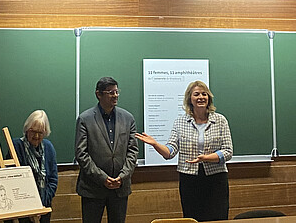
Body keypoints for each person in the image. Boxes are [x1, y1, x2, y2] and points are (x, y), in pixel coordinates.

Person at [136, 80, 233, 222]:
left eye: (204, 94)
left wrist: (206, 158)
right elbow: (170, 151)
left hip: (216, 179)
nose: (201, 97)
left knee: (217, 218)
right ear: (190, 99)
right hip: (189, 179)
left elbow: (228, 151)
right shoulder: (180, 122)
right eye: (196, 94)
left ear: (209, 98)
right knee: (192, 218)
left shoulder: (220, 120)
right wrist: (155, 144)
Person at [75, 77, 139, 223]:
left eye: (117, 92)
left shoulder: (128, 118)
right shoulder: (85, 119)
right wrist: (102, 178)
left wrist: (123, 176)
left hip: (120, 187)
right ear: (99, 94)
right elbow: (81, 153)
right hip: (93, 188)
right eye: (110, 92)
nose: (115, 95)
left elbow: (133, 151)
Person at [11, 110, 58, 222]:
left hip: (43, 207)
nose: (36, 136)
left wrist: (42, 204)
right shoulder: (16, 146)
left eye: (40, 132)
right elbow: (13, 179)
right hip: (21, 208)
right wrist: (31, 206)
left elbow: (53, 180)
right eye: (33, 131)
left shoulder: (48, 147)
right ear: (27, 130)